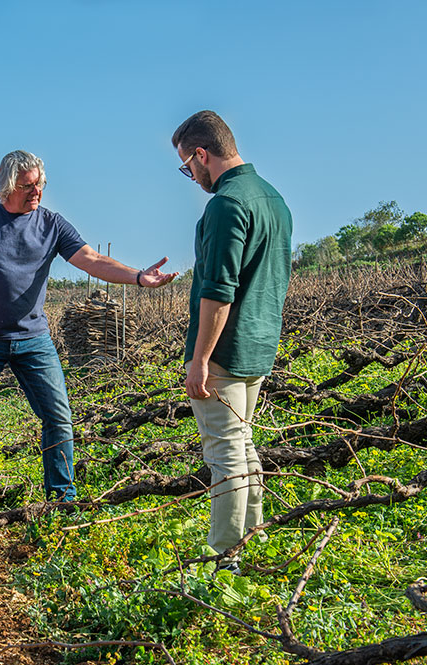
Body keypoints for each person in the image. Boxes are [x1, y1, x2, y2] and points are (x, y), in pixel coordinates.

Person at [0, 150, 177, 516]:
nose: (36, 192)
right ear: (6, 187)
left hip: (34, 340)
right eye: (27, 186)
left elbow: (92, 260)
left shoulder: (52, 224)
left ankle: (62, 499)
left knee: (58, 416)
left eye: (40, 184)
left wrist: (138, 277)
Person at [172, 110, 292, 567]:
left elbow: (218, 291)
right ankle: (254, 535)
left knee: (224, 453)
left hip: (224, 349)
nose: (191, 174)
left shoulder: (225, 204)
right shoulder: (273, 199)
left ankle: (224, 556)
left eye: (188, 166)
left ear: (202, 154)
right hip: (260, 345)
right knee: (243, 445)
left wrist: (199, 358)